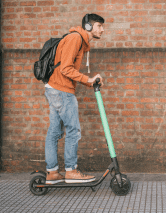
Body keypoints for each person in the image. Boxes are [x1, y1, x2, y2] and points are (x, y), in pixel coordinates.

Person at [44, 14, 105, 184]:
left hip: (55, 88)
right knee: (73, 130)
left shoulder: (79, 41)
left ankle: (52, 173)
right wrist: (88, 80)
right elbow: (65, 69)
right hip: (62, 90)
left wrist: (89, 82)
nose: (102, 29)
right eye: (99, 26)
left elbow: (67, 69)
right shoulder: (75, 38)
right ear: (88, 26)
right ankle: (71, 171)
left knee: (54, 132)